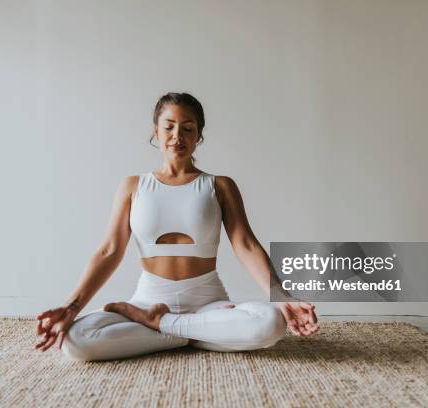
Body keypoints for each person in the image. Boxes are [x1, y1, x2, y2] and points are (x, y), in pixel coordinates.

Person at [34, 92, 319, 361]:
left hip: (209, 302)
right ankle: (194, 333)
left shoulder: (220, 185)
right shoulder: (133, 186)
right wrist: (72, 308)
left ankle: (160, 325)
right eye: (168, 126)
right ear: (155, 131)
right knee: (76, 339)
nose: (177, 136)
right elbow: (109, 250)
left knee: (271, 324)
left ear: (199, 136)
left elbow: (246, 246)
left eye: (188, 128)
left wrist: (283, 297)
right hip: (148, 299)